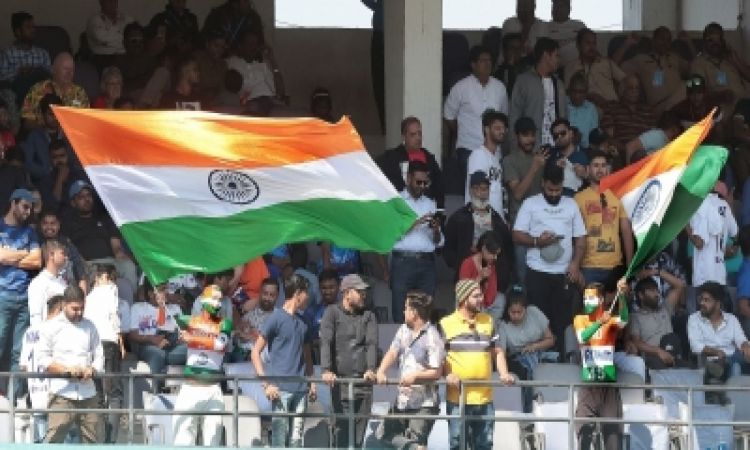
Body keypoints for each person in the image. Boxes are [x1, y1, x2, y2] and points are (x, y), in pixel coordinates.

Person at [513, 164, 586, 353]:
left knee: (562, 320)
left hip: (563, 274)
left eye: (558, 190)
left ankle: (561, 359)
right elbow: (516, 235)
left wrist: (575, 264)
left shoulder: (571, 204)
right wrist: (537, 241)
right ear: (542, 183)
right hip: (537, 272)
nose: (554, 194)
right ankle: (540, 358)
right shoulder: (531, 204)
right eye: (550, 190)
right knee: (538, 319)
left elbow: (580, 238)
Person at [440, 279, 514, 450]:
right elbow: (440, 357)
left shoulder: (488, 321)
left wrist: (504, 373)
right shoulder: (446, 323)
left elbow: (497, 351)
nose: (481, 299)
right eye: (476, 296)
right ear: (463, 299)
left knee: (484, 445)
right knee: (458, 444)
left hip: (484, 398)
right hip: (457, 398)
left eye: (481, 295)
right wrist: (448, 374)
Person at [251, 275, 316, 448]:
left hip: (301, 390)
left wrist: (312, 382)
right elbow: (255, 352)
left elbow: (307, 355)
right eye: (306, 292)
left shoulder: (304, 322)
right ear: (298, 293)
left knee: (296, 441)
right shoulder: (275, 318)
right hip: (280, 390)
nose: (309, 297)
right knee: (279, 440)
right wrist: (266, 384)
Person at [376, 291, 443, 450]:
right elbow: (393, 352)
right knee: (383, 433)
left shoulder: (433, 336)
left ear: (414, 313)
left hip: (424, 404)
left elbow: (436, 372)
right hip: (403, 399)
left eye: (406, 308)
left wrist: (415, 376)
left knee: (416, 438)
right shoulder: (403, 330)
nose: (403, 311)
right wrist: (381, 371)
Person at [38, 286, 104, 443]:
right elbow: (43, 359)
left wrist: (92, 369)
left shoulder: (90, 326)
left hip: (88, 392)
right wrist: (66, 370)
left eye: (82, 308)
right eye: (75, 309)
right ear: (64, 304)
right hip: (62, 393)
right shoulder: (50, 327)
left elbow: (99, 355)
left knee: (93, 441)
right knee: (54, 440)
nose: (79, 313)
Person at [320, 274, 378, 449]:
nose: (363, 295)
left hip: (363, 383)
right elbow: (326, 342)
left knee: (359, 437)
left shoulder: (369, 315)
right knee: (341, 433)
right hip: (340, 383)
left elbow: (371, 344)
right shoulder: (332, 312)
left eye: (364, 291)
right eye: (359, 291)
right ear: (346, 293)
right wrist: (326, 369)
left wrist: (371, 368)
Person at [172, 284, 233, 446]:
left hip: (212, 388)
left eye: (220, 299)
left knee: (212, 441)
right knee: (182, 440)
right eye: (214, 299)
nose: (217, 303)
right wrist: (163, 301)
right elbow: (173, 318)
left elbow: (220, 344)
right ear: (203, 300)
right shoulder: (189, 321)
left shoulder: (225, 324)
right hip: (189, 388)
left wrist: (192, 339)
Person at [444, 45, 509, 191]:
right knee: (472, 191)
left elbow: (503, 117)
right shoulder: (460, 87)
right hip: (468, 148)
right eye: (482, 60)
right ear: (473, 64)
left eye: (489, 60)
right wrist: (464, 132)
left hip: (494, 150)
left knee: (494, 190)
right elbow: (449, 116)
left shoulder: (500, 88)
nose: (487, 64)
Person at [574, 280, 629, 450]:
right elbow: (582, 338)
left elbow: (624, 321)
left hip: (608, 386)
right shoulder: (580, 319)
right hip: (589, 385)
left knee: (613, 438)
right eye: (585, 298)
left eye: (591, 299)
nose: (587, 302)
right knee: (584, 434)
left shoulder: (611, 321)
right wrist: (599, 322)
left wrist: (622, 297)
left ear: (602, 300)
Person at [444, 170, 514, 297]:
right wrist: (462, 262)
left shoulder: (497, 219)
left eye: (484, 189)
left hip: (495, 280)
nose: (481, 193)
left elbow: (508, 249)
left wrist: (503, 270)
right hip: (468, 277)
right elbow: (448, 250)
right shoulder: (458, 218)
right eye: (477, 189)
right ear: (470, 190)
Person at [60, 180, 137, 295]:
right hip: (87, 263)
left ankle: (132, 305)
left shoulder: (104, 218)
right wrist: (82, 263)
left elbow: (116, 245)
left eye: (88, 195)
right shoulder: (69, 223)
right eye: (81, 197)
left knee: (128, 266)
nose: (86, 199)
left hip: (111, 261)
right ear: (73, 202)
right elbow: (69, 247)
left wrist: (119, 253)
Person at [390, 162, 443, 324]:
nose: (422, 186)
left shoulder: (430, 203)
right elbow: (390, 233)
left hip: (427, 262)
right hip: (402, 261)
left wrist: (436, 230)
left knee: (427, 310)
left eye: (425, 183)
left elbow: (438, 242)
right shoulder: (396, 202)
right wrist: (415, 223)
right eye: (418, 182)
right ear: (408, 179)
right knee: (401, 310)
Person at [0, 189, 41, 397]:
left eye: (31, 207)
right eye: (25, 206)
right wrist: (24, 254)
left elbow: (37, 261)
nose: (28, 211)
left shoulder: (30, 232)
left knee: (19, 352)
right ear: (13, 203)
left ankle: (13, 401)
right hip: (2, 294)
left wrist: (10, 256)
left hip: (24, 297)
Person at [574, 151, 634, 284]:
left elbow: (626, 231)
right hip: (588, 266)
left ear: (608, 169)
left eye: (603, 165)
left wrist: (630, 263)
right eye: (595, 165)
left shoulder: (619, 195)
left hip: (615, 266)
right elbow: (574, 234)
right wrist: (575, 265)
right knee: (590, 305)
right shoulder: (578, 198)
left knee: (614, 305)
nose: (600, 169)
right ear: (588, 169)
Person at [688, 281, 750, 403]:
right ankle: (734, 402)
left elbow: (741, 340)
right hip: (710, 362)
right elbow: (695, 346)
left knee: (737, 360)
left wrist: (745, 345)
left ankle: (726, 364)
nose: (702, 303)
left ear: (718, 303)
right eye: (701, 299)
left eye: (707, 300)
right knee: (735, 365)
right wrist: (716, 352)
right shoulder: (694, 319)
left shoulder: (731, 319)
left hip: (731, 359)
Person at [498, 284, 556, 412]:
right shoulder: (503, 326)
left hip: (540, 351)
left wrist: (534, 346)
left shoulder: (534, 312)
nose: (516, 316)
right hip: (518, 360)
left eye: (520, 312)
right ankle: (529, 406)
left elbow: (551, 340)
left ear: (526, 309)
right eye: (513, 312)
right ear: (507, 310)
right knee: (527, 366)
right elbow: (501, 352)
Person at [83, 264, 124, 443]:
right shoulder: (110, 289)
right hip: (108, 341)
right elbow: (114, 315)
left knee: (98, 393)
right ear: (100, 277)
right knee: (114, 392)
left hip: (92, 345)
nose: (112, 280)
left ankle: (97, 440)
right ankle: (110, 441)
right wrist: (119, 337)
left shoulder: (89, 297)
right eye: (109, 276)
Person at [128, 279, 187, 390]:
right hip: (147, 345)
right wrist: (151, 339)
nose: (166, 293)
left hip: (171, 347)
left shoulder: (175, 309)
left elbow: (181, 334)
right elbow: (132, 335)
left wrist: (182, 338)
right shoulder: (138, 308)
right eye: (161, 290)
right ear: (150, 294)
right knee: (157, 354)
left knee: (191, 350)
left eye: (166, 289)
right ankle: (156, 392)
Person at [19, 294, 63, 443]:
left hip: (37, 394)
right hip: (56, 397)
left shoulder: (30, 332)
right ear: (59, 310)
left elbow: (23, 366)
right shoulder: (57, 331)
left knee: (39, 441)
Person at [377, 116, 444, 209]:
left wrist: (440, 211)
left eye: (419, 133)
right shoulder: (391, 157)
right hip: (402, 211)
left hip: (426, 209)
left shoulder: (429, 158)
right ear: (404, 137)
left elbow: (439, 187)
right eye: (413, 134)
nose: (418, 138)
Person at [510, 37, 566, 148]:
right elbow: (514, 115)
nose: (559, 60)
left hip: (557, 147)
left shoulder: (558, 83)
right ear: (546, 56)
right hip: (531, 148)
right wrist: (514, 146)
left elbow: (564, 116)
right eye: (556, 55)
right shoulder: (524, 81)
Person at [622, 26, 692, 114]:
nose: (665, 43)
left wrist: (689, 43)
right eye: (662, 39)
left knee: (694, 83)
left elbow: (695, 68)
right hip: (660, 107)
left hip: (681, 103)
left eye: (668, 40)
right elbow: (614, 67)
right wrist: (627, 44)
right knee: (686, 85)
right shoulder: (640, 59)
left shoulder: (674, 58)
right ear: (653, 40)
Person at [688, 186, 738, 300]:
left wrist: (684, 221)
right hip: (719, 273)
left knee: (705, 315)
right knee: (719, 315)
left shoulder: (701, 206)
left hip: (705, 275)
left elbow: (699, 243)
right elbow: (735, 234)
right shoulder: (724, 205)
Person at [690, 22, 750, 119]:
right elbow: (697, 96)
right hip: (724, 111)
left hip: (744, 104)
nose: (715, 43)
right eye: (711, 40)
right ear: (704, 42)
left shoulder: (730, 59)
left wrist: (736, 61)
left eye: (719, 39)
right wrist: (720, 95)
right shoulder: (699, 63)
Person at [629, 277, 685, 370]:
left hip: (674, 356)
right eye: (651, 290)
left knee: (694, 372)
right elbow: (636, 342)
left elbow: (679, 285)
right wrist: (658, 351)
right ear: (641, 295)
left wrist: (656, 272)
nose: (657, 294)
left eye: (657, 290)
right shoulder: (635, 317)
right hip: (653, 359)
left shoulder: (665, 308)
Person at [21, 52, 89, 129]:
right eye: (65, 69)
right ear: (53, 70)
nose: (69, 73)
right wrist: (47, 130)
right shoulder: (38, 89)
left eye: (72, 70)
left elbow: (85, 122)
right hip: (44, 138)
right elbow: (27, 123)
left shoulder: (80, 93)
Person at [564, 28, 625, 108]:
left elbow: (625, 80)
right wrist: (589, 96)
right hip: (588, 107)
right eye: (588, 43)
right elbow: (569, 93)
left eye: (594, 43)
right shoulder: (570, 67)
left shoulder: (606, 62)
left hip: (613, 106)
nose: (592, 47)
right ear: (578, 45)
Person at [466, 110, 507, 218]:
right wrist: (482, 225)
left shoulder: (495, 159)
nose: (502, 131)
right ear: (487, 129)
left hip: (495, 220)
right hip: (481, 221)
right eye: (498, 128)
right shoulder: (479, 155)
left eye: (503, 128)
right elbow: (476, 191)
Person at [600, 74, 657, 151]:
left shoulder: (647, 110)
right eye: (631, 88)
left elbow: (654, 135)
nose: (634, 91)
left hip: (645, 151)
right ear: (622, 91)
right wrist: (626, 149)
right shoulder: (612, 108)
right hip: (621, 150)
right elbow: (608, 136)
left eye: (637, 88)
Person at [38, 211, 88, 293]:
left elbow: (80, 274)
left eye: (53, 223)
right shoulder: (36, 243)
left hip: (69, 291)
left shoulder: (67, 244)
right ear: (40, 225)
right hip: (44, 290)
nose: (49, 227)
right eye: (45, 223)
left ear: (58, 225)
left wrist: (83, 298)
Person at [458, 231, 504, 320]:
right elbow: (463, 293)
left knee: (501, 299)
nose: (495, 258)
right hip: (474, 304)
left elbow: (492, 287)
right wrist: (480, 278)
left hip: (489, 303)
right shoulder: (468, 264)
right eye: (493, 254)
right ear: (483, 249)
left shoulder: (491, 263)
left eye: (497, 254)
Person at [27, 239, 68, 327]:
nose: (66, 257)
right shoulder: (38, 283)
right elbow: (35, 317)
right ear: (51, 255)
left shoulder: (64, 283)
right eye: (63, 254)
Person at [549, 118, 589, 195]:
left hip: (579, 202)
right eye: (555, 136)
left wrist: (585, 175)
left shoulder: (585, 154)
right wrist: (555, 170)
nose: (559, 137)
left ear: (571, 133)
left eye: (563, 133)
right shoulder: (550, 156)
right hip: (556, 202)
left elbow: (597, 181)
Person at [545, 0, 586, 67]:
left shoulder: (579, 26)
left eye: (560, 6)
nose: (557, 9)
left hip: (577, 68)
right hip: (552, 69)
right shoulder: (545, 27)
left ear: (569, 9)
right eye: (555, 6)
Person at [566, 72, 599, 149]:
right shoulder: (562, 104)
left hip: (584, 150)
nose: (577, 96)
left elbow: (593, 136)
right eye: (574, 91)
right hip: (562, 148)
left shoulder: (591, 109)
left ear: (586, 92)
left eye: (581, 92)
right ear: (569, 91)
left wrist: (581, 138)